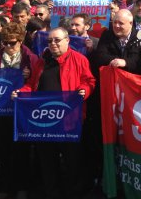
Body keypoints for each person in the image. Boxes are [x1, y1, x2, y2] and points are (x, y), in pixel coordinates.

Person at [13, 27, 95, 199]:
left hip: (69, 120)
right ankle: (52, 193)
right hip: (45, 121)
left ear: (67, 40)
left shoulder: (79, 59)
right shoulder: (41, 62)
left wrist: (84, 90)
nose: (53, 44)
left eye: (57, 40)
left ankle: (73, 193)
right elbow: (31, 85)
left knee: (72, 160)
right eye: (50, 41)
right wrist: (21, 92)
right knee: (47, 161)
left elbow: (89, 81)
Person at [0, 22, 38, 198]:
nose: (8, 46)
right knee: (2, 149)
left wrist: (28, 76)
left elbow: (37, 83)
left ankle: (22, 186)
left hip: (21, 111)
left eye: (13, 43)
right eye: (5, 42)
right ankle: (4, 187)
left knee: (21, 150)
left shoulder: (30, 58)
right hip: (0, 111)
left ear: (21, 41)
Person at [95, 9, 141, 76]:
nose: (116, 25)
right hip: (112, 79)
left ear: (130, 23)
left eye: (121, 23)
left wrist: (126, 63)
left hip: (134, 80)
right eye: (115, 22)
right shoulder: (107, 35)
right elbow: (99, 56)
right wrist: (114, 61)